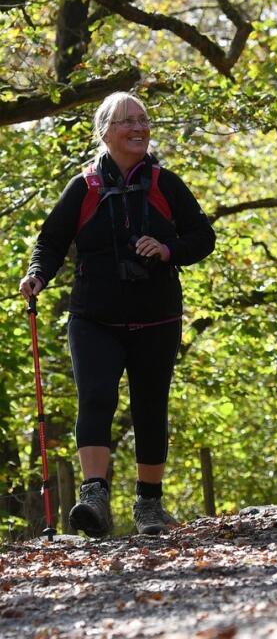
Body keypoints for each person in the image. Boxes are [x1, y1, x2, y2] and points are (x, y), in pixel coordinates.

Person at [18, 92, 216, 538]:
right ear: (105, 131)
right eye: (128, 121)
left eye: (144, 120)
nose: (139, 128)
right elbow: (50, 243)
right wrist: (37, 276)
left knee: (150, 405)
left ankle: (149, 505)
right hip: (94, 318)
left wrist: (168, 249)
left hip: (157, 316)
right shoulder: (83, 187)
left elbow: (203, 237)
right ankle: (94, 495)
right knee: (96, 398)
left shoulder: (166, 184)